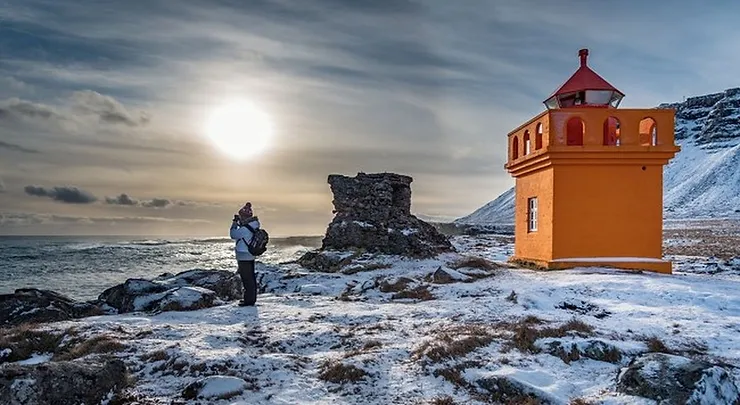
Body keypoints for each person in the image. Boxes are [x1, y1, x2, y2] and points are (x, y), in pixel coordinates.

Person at [230, 202, 260, 306]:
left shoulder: (246, 228)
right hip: (249, 255)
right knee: (250, 278)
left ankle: (249, 301)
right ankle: (250, 299)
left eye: (241, 216)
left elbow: (233, 234)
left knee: (247, 279)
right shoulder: (252, 225)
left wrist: (234, 223)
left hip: (244, 255)